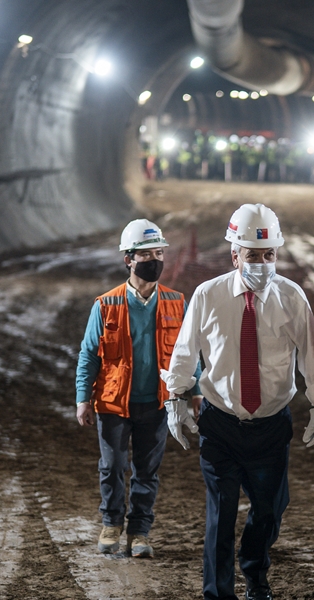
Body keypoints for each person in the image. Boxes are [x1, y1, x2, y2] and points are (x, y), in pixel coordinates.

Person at [161, 203, 314, 600]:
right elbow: (185, 352)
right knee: (220, 516)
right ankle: (218, 593)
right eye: (253, 255)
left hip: (272, 426)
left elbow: (313, 354)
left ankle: (255, 571)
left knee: (270, 511)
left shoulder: (292, 298)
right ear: (234, 254)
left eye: (269, 255)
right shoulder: (208, 296)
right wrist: (176, 398)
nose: (261, 263)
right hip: (220, 424)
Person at [74, 219, 202, 558]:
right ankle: (111, 523)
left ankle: (140, 531)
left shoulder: (177, 302)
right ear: (128, 259)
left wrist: (196, 390)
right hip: (114, 403)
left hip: (157, 403)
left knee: (147, 471)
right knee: (113, 467)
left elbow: (189, 351)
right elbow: (89, 354)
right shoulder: (106, 304)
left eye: (159, 253)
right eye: (146, 255)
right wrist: (82, 399)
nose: (155, 260)